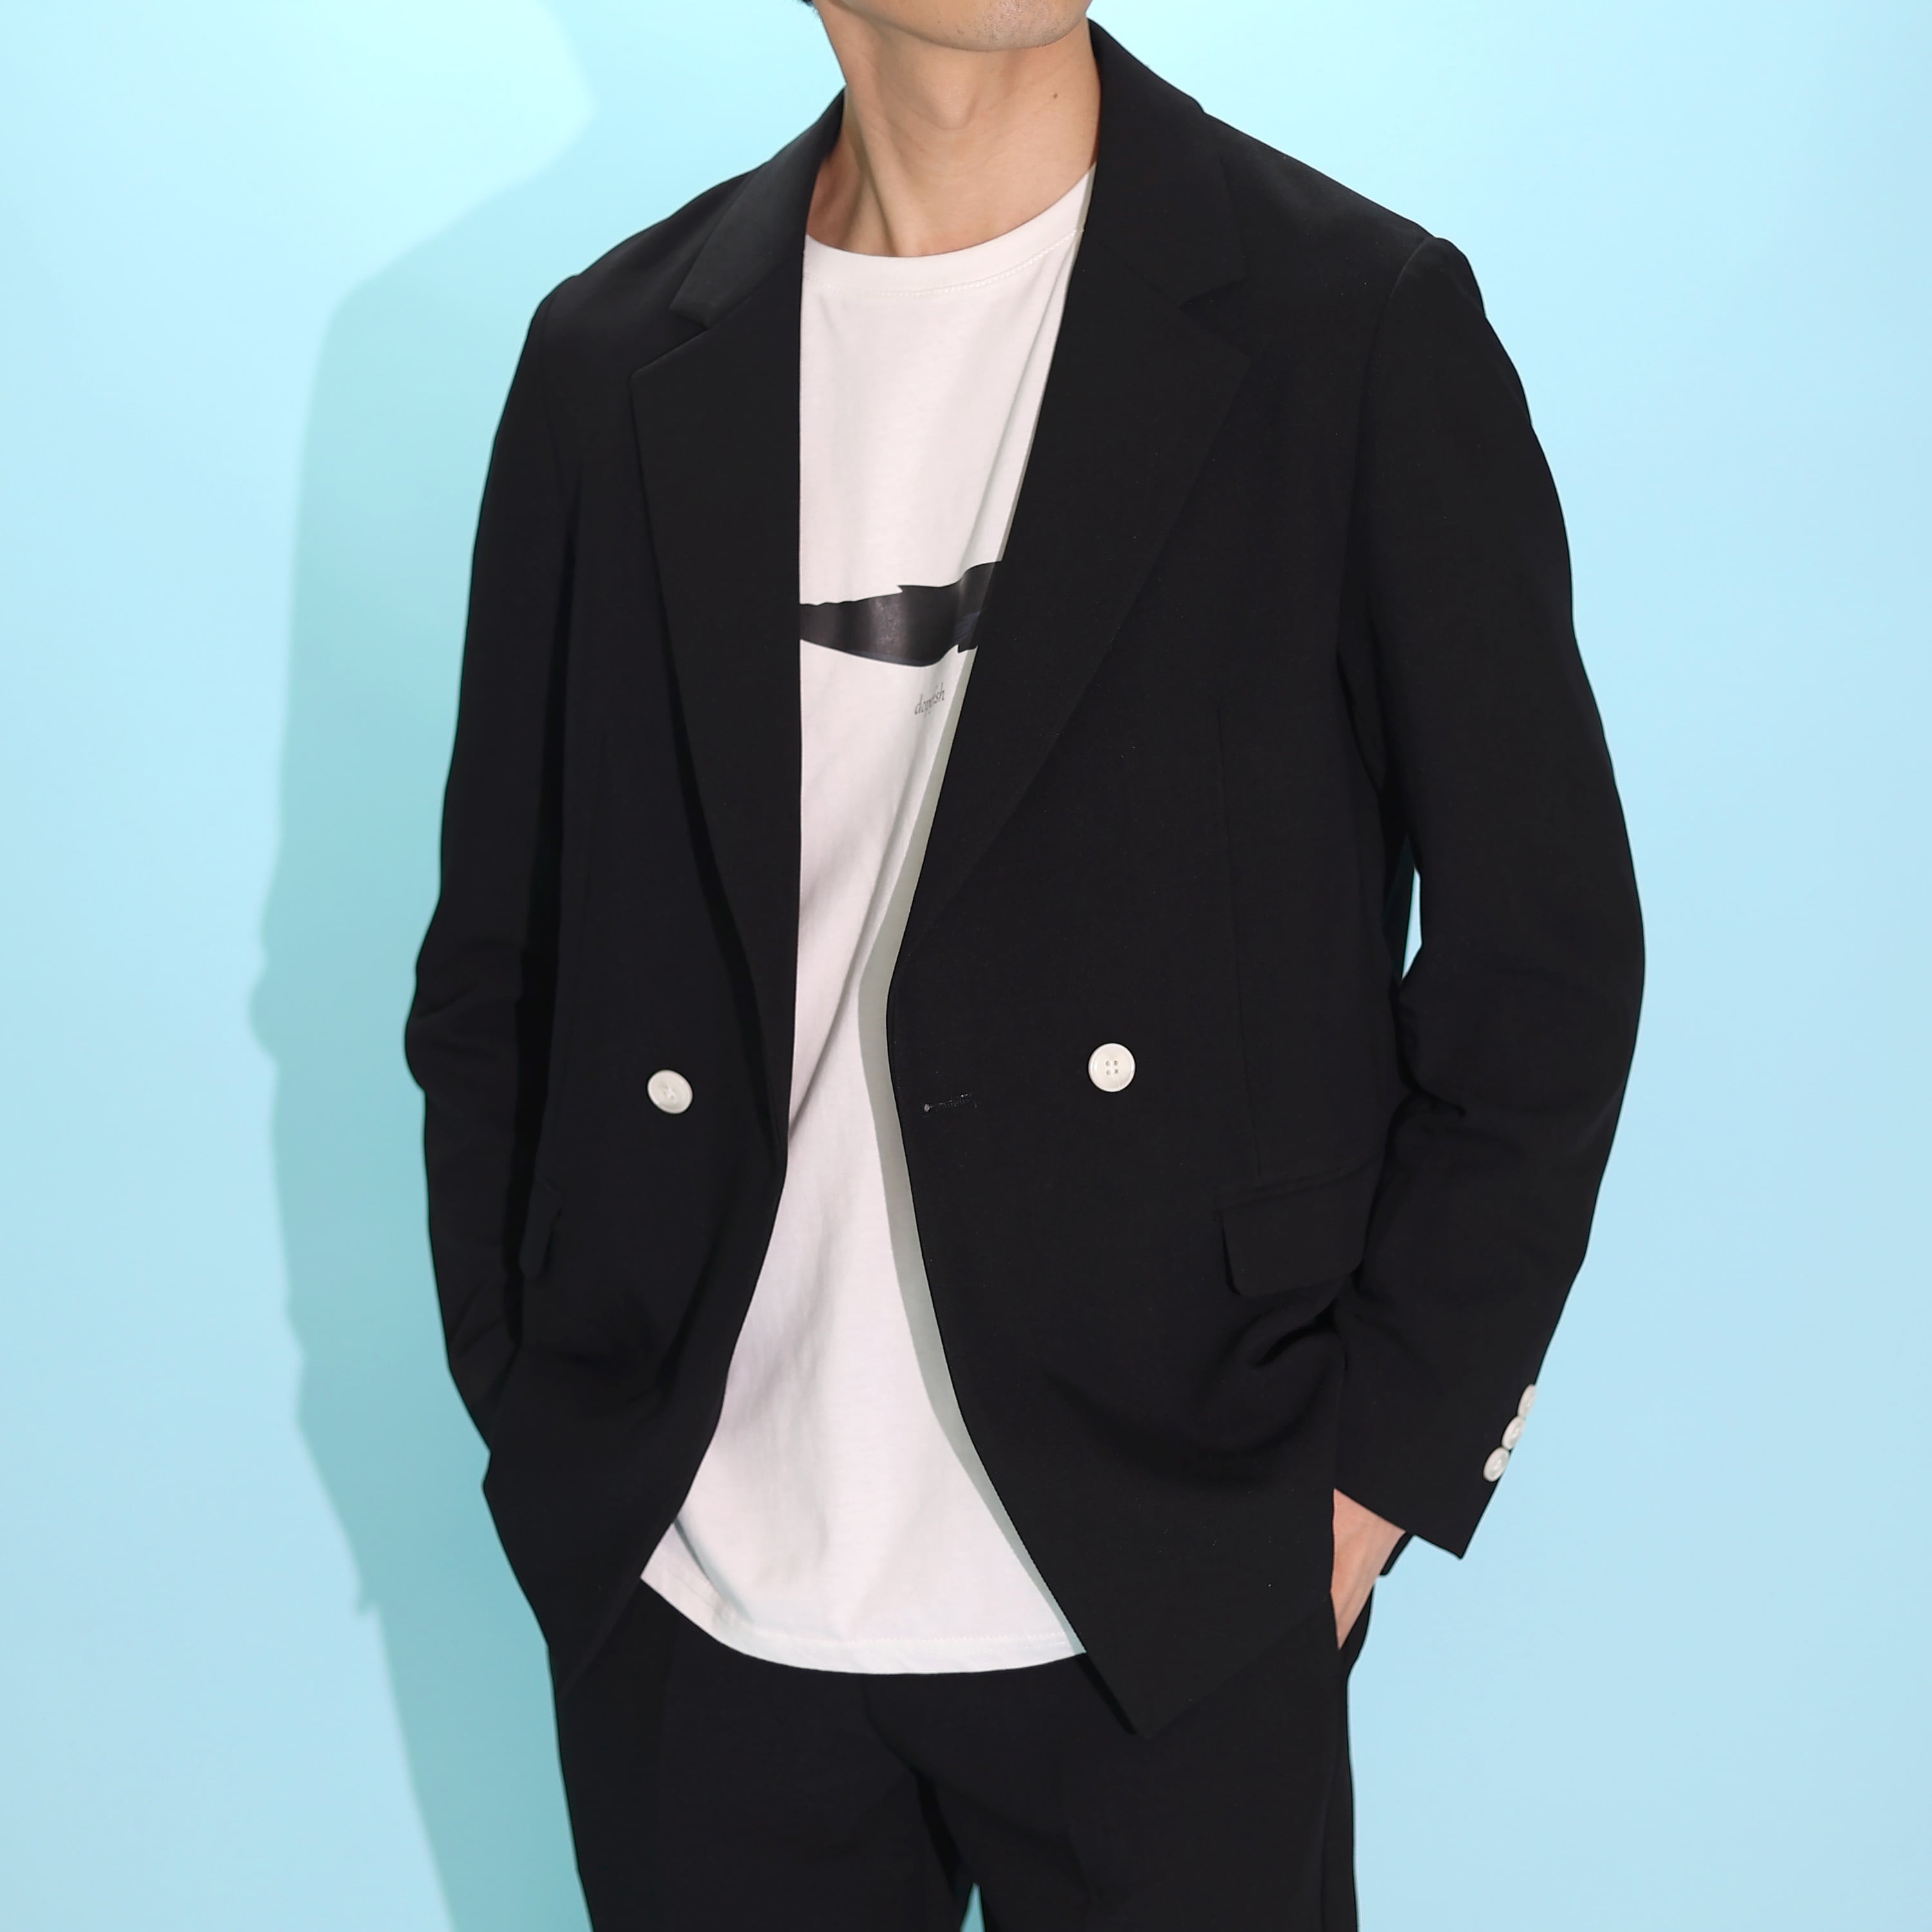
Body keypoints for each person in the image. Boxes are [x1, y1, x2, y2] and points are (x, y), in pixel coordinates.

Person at [405, 4, 1643, 1926]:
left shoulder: (1351, 325)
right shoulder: (606, 360)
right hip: (702, 1589)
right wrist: (549, 1411)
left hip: (1166, 1572)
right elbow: (504, 953)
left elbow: (1543, 961)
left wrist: (1370, 1480)